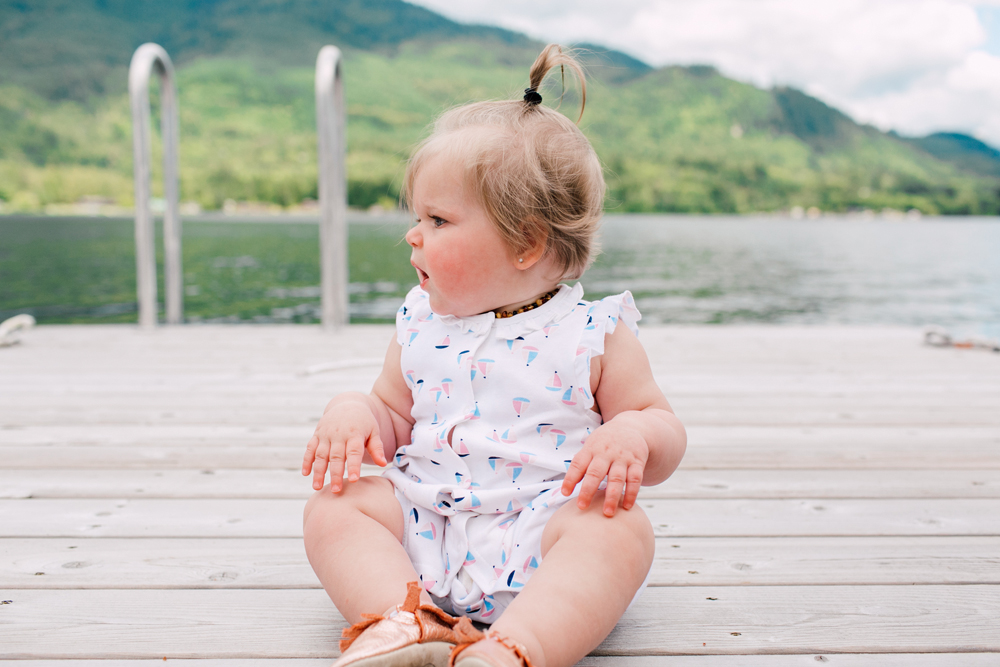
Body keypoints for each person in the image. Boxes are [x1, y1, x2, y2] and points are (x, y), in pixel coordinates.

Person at [301, 44, 687, 667]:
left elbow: (663, 427)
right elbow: (392, 414)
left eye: (438, 219)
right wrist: (354, 411)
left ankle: (516, 647)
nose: (413, 233)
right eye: (416, 216)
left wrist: (637, 434)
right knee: (335, 509)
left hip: (544, 530)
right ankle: (403, 617)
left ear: (526, 243)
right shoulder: (421, 322)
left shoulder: (592, 333)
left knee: (618, 532)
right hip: (429, 524)